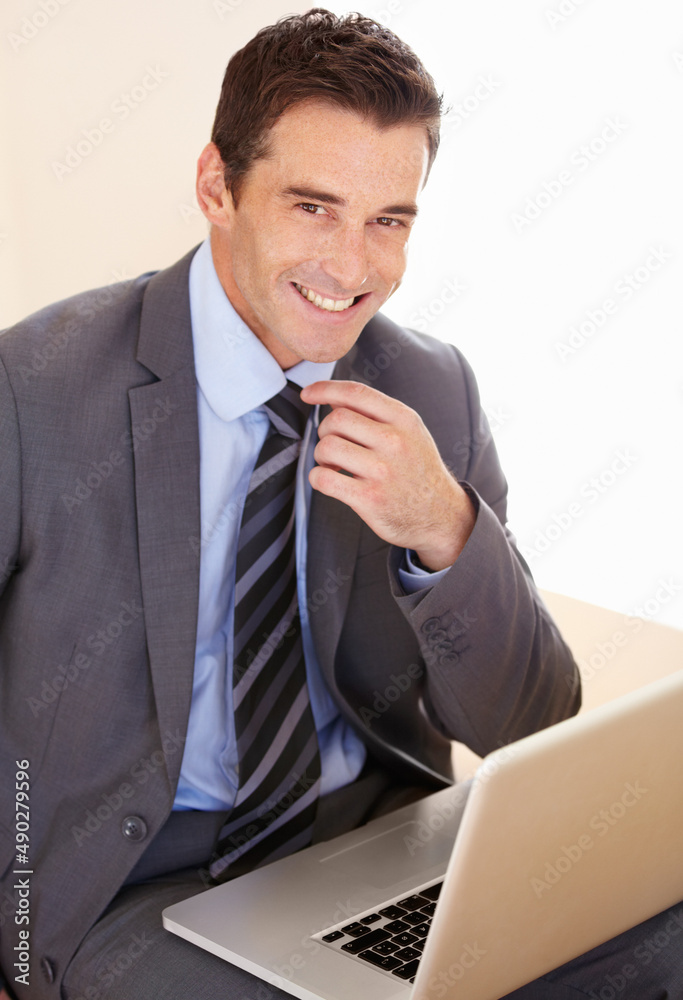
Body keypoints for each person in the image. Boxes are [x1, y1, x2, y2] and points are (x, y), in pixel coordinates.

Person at [0, 9, 677, 1000]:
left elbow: (534, 725)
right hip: (128, 890)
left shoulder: (429, 387)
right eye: (312, 207)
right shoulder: (36, 387)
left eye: (387, 221)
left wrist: (445, 532)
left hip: (374, 848)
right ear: (215, 187)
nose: (351, 268)